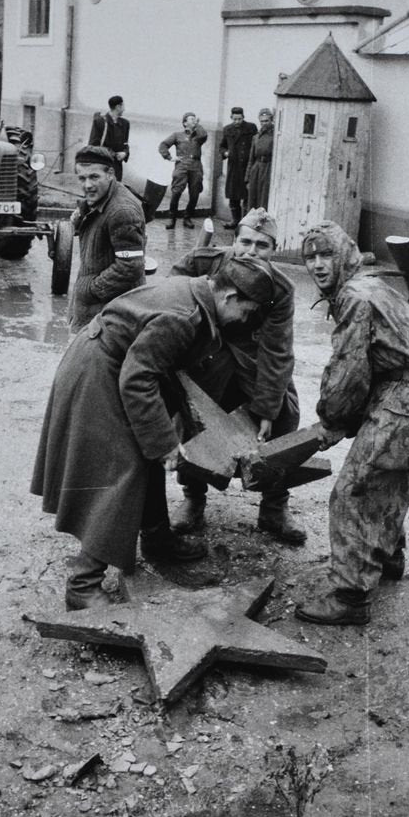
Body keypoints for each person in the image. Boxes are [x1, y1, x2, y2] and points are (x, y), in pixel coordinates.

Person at [31, 256, 276, 610]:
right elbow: (138, 378)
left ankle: (158, 539)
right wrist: (166, 444)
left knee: (142, 458)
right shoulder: (183, 317)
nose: (244, 321)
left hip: (111, 364)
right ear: (229, 297)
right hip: (99, 372)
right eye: (246, 312)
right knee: (120, 469)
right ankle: (83, 584)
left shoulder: (193, 293)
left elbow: (161, 371)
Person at [294, 221, 409, 626]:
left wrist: (331, 420)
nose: (317, 264)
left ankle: (350, 596)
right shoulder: (373, 285)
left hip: (407, 398)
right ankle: (388, 559)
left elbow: (348, 370)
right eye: (309, 257)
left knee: (355, 492)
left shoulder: (354, 296)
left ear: (344, 254)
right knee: (393, 482)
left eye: (325, 254)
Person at [168, 208, 305, 545]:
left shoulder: (281, 289)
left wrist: (266, 408)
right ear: (234, 240)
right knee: (192, 422)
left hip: (254, 366)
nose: (251, 251)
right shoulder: (201, 263)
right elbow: (172, 300)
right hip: (206, 362)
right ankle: (193, 498)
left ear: (273, 249)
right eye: (246, 241)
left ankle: (274, 507)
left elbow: (277, 351)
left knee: (285, 421)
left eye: (262, 245)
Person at [68, 145, 147, 335]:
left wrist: (91, 289)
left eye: (94, 177)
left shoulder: (122, 211)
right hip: (95, 312)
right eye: (82, 178)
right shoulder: (98, 200)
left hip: (112, 317)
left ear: (110, 174)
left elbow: (130, 266)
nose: (87, 185)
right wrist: (82, 213)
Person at [159, 112, 208, 229]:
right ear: (185, 123)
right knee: (176, 192)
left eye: (195, 119)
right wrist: (170, 157)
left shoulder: (199, 135)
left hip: (196, 166)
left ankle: (187, 217)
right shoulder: (177, 135)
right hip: (181, 165)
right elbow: (163, 145)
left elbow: (204, 135)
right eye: (191, 119)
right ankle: (172, 219)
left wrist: (197, 125)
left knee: (195, 193)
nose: (194, 120)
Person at [219, 106, 257, 229]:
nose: (237, 122)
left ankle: (245, 222)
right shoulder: (227, 129)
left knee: (247, 196)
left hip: (247, 167)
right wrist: (225, 153)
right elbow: (222, 146)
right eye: (235, 119)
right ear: (231, 117)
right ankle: (235, 220)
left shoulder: (251, 128)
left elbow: (256, 144)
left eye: (239, 119)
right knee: (233, 196)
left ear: (243, 117)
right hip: (234, 168)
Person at [87, 95, 130, 181]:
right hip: (102, 164)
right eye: (123, 106)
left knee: (115, 190)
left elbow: (126, 144)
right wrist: (113, 154)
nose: (124, 109)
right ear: (118, 107)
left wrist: (125, 153)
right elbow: (92, 145)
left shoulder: (125, 124)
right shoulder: (100, 122)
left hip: (116, 167)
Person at [244, 107, 275, 212]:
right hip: (256, 168)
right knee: (253, 198)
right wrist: (247, 178)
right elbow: (251, 158)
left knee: (264, 199)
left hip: (268, 168)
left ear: (271, 120)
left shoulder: (275, 137)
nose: (264, 123)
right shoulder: (256, 137)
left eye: (266, 121)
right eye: (262, 121)